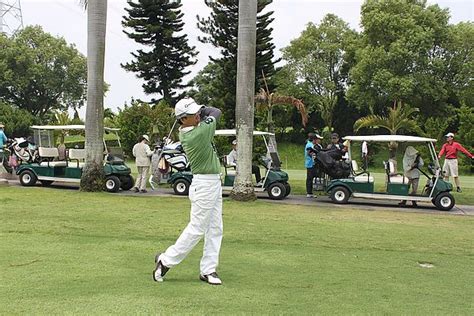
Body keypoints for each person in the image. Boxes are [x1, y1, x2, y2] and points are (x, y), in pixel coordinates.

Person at [153, 97, 223, 285]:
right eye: (194, 114)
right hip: (204, 185)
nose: (198, 115)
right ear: (183, 120)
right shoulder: (196, 134)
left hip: (213, 182)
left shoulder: (194, 128)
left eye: (198, 112)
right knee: (197, 228)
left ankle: (208, 270)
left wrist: (197, 108)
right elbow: (216, 112)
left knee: (216, 228)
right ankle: (165, 260)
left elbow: (209, 113)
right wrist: (204, 108)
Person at [305, 133, 323, 198]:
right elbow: (309, 153)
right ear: (314, 139)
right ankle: (309, 192)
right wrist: (315, 156)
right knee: (309, 178)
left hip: (311, 163)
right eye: (316, 139)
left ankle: (310, 192)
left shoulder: (311, 144)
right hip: (310, 163)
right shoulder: (309, 145)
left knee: (311, 178)